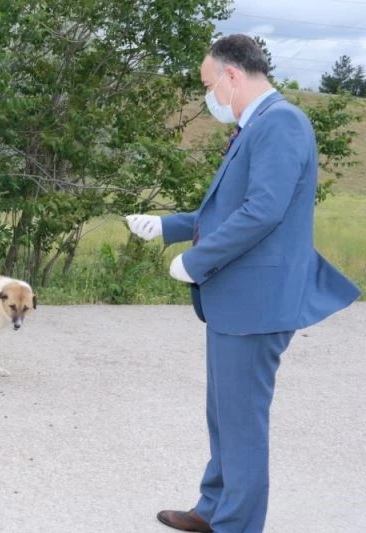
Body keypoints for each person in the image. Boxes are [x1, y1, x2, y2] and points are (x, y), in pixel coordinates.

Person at [125, 34, 361, 533]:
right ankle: (213, 509)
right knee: (224, 417)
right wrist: (167, 226)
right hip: (238, 302)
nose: (210, 96)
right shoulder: (259, 125)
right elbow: (228, 210)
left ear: (232, 76)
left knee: (242, 425)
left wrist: (196, 260)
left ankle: (235, 525)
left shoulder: (280, 124)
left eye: (211, 85)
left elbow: (263, 212)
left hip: (257, 304)